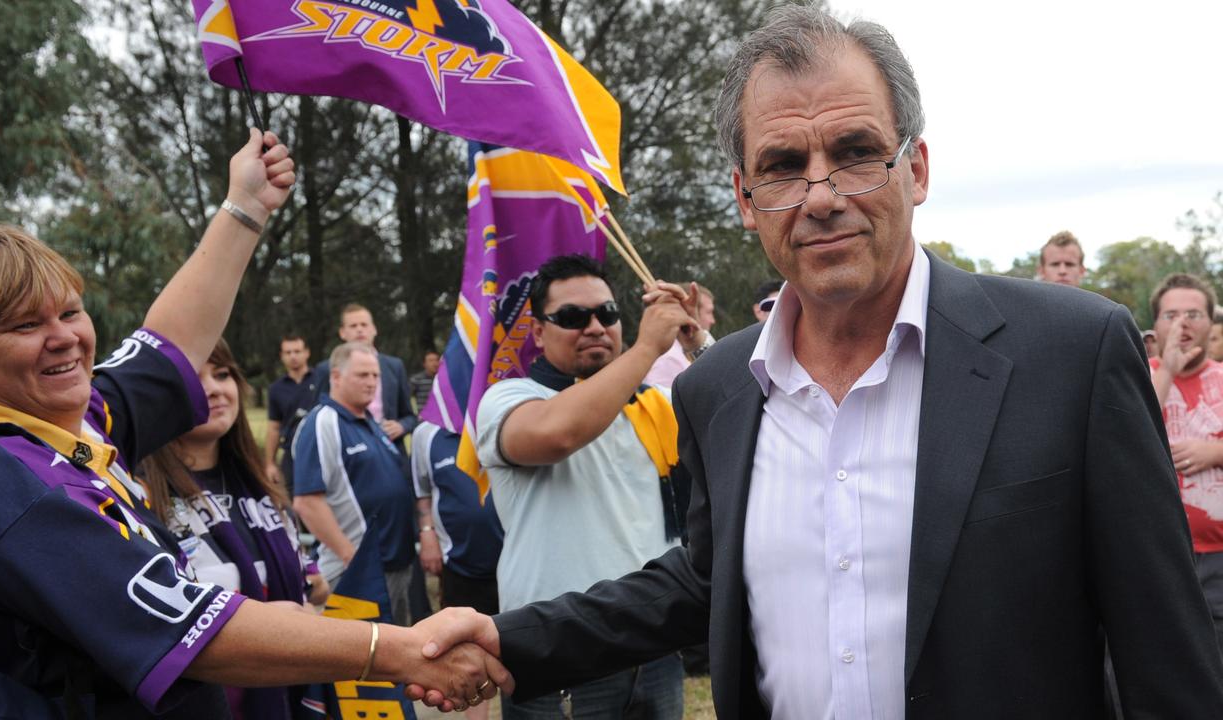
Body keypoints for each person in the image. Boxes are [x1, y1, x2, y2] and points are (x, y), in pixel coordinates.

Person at [412, 6, 1223, 718]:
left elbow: (1166, 655)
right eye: (784, 166)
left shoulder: (1072, 352)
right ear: (743, 197)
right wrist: (506, 636)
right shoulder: (718, 389)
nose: (822, 193)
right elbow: (703, 584)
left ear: (918, 168)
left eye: (856, 150)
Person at [0, 131, 507, 717]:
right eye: (21, 326)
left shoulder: (69, 421)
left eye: (69, 311)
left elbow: (167, 344)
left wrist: (247, 206)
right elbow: (192, 632)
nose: (63, 338)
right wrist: (404, 648)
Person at [474, 254, 703, 719]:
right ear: (538, 332)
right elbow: (557, 435)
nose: (596, 326)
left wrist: (694, 340)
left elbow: (741, 416)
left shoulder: (655, 403)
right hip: (559, 649)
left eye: (608, 313)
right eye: (574, 317)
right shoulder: (512, 397)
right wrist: (646, 350)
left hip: (654, 644)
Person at [140, 337, 329, 719]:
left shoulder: (261, 489)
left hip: (285, 692)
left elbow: (307, 576)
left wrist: (306, 587)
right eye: (194, 376)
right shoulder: (140, 494)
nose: (213, 388)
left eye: (222, 374)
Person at [292, 343, 417, 621]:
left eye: (375, 376)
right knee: (359, 659)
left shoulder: (371, 421)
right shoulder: (323, 423)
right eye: (362, 375)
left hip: (395, 563)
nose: (372, 382)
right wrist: (351, 557)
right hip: (359, 573)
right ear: (336, 377)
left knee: (392, 654)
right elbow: (307, 502)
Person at [1148, 273, 1223, 652]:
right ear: (1155, 324)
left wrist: (1216, 452)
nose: (1182, 324)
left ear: (1212, 322)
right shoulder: (1134, 377)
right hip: (1156, 557)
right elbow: (1132, 429)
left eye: (1194, 313)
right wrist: (1167, 372)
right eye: (1171, 315)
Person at [412, 420, 504, 720]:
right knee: (468, 659)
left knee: (521, 654)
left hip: (515, 564)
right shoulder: (428, 433)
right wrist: (426, 533)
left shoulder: (505, 413)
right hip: (461, 565)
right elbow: (422, 489)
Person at [312, 304, 416, 453]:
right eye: (353, 326)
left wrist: (401, 426)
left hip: (391, 450)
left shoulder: (395, 366)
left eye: (364, 325)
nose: (359, 329)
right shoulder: (326, 369)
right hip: (348, 452)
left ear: (374, 329)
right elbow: (318, 413)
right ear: (342, 332)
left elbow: (410, 416)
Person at [264, 334, 318, 493]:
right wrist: (270, 463)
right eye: (288, 352)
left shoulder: (322, 380)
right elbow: (274, 428)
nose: (293, 356)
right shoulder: (276, 389)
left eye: (297, 351)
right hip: (291, 456)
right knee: (295, 505)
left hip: (320, 451)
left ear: (307, 352)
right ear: (282, 356)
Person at [643, 282, 715, 387]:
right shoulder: (668, 359)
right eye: (709, 312)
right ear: (686, 311)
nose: (712, 320)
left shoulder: (685, 354)